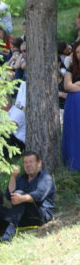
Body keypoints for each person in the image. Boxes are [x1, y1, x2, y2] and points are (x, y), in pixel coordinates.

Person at [0, 151, 56, 244]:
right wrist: (13, 176)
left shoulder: (45, 178)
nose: (28, 165)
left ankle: (9, 233)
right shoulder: (21, 178)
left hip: (39, 215)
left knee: (19, 194)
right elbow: (10, 195)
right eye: (25, 162)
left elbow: (38, 196)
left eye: (31, 162)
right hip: (19, 216)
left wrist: (21, 198)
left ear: (39, 163)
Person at [63, 42, 80, 171]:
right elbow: (67, 86)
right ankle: (74, 164)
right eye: (78, 52)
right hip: (74, 105)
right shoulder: (71, 68)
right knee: (74, 131)